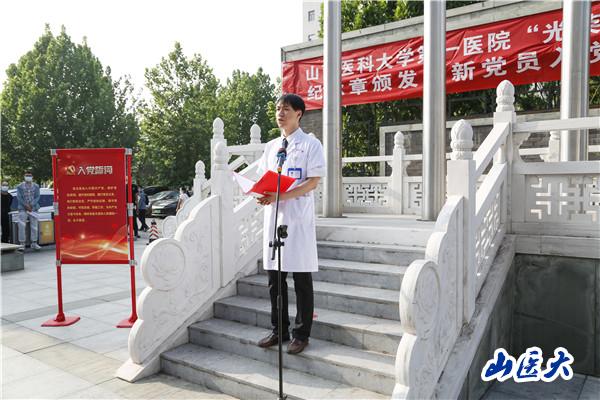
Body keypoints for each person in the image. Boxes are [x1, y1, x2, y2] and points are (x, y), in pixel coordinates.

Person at [255, 93, 325, 355]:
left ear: (299, 113)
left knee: (302, 279)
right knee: (275, 279)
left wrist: (281, 196)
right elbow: (264, 178)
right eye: (277, 109)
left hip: (298, 219)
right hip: (274, 217)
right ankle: (279, 330)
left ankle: (301, 333)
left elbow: (313, 182)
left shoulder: (310, 144)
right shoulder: (272, 147)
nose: (280, 113)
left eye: (285, 109)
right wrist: (260, 193)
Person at [16, 171, 41, 250]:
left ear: (32, 176)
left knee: (34, 226)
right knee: (21, 226)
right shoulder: (19, 186)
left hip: (33, 209)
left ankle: (34, 243)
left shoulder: (36, 186)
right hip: (22, 209)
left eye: (29, 175)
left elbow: (37, 196)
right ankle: (22, 244)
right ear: (24, 176)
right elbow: (19, 197)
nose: (28, 177)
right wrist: (26, 205)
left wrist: (31, 205)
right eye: (27, 175)